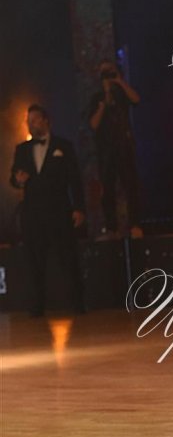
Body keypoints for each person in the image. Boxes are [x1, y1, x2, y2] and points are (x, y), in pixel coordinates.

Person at [10, 104, 86, 317]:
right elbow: (13, 177)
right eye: (29, 121)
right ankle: (37, 306)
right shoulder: (22, 149)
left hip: (59, 210)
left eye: (35, 120)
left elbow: (75, 180)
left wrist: (79, 208)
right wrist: (18, 180)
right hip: (33, 213)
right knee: (35, 260)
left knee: (68, 257)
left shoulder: (63, 146)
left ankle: (78, 303)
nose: (32, 125)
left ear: (46, 121)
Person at [88, 59, 143, 238]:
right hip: (106, 149)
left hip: (124, 145)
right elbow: (93, 124)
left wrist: (119, 81)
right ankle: (112, 227)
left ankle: (135, 224)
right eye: (104, 73)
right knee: (107, 189)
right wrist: (103, 102)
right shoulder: (96, 98)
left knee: (131, 185)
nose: (107, 76)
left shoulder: (122, 93)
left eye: (109, 71)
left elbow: (136, 99)